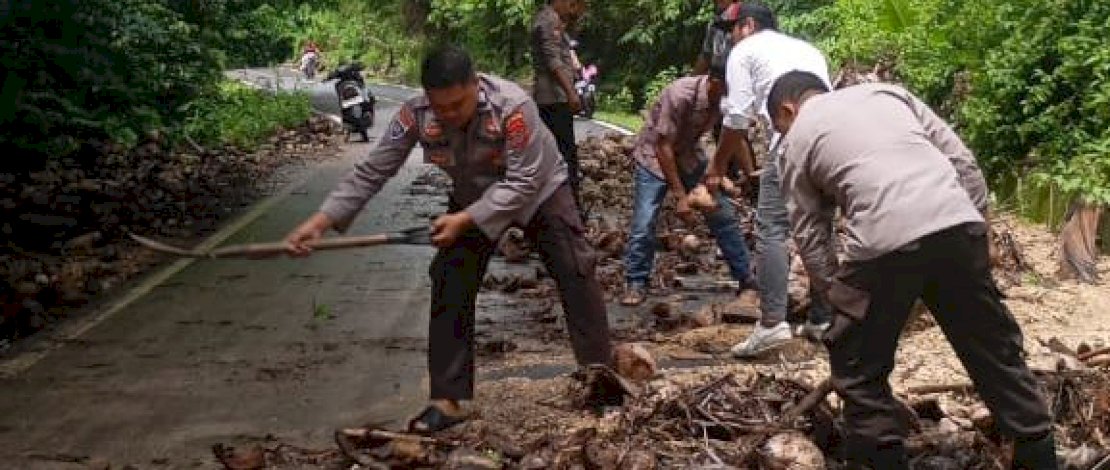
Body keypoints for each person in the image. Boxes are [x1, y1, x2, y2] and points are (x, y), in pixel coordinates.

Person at [283, 45, 614, 434]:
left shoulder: (514, 108)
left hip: (538, 191)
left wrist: (466, 219)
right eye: (441, 108)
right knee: (449, 279)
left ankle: (600, 378)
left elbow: (524, 182)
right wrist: (322, 220)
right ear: (427, 97)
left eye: (458, 105)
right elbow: (373, 169)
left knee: (576, 270)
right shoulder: (414, 115)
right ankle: (448, 399)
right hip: (471, 195)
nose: (451, 115)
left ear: (476, 84)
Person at [766, 70, 1057, 469]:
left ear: (788, 109)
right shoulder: (888, 94)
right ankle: (1037, 449)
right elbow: (964, 165)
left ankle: (881, 458)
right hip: (957, 222)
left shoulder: (797, 137)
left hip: (883, 241)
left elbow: (810, 232)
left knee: (858, 369)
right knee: (992, 348)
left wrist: (840, 298)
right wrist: (977, 232)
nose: (782, 133)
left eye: (779, 126)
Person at [705, 3, 833, 357]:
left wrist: (717, 167)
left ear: (747, 26)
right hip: (829, 141)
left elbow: (737, 118)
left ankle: (772, 323)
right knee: (819, 226)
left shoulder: (745, 50)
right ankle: (824, 318)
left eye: (731, 30)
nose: (730, 38)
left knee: (772, 229)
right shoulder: (806, 48)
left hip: (790, 141)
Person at [620, 67, 756, 307]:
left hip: (688, 154)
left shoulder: (727, 100)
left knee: (722, 212)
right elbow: (663, 146)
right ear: (714, 81)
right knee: (645, 220)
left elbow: (735, 136)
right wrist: (681, 196)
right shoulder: (680, 94)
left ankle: (746, 278)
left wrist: (750, 174)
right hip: (654, 157)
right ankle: (636, 281)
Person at [531, 0, 586, 206]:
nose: (573, 7)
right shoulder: (549, 21)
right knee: (565, 154)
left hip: (552, 98)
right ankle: (569, 204)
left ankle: (561, 202)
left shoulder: (552, 20)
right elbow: (553, 61)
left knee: (558, 152)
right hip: (553, 98)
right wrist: (571, 93)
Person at [692, 0, 737, 76]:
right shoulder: (715, 23)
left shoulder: (743, 19)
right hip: (715, 75)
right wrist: (692, 77)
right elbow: (706, 56)